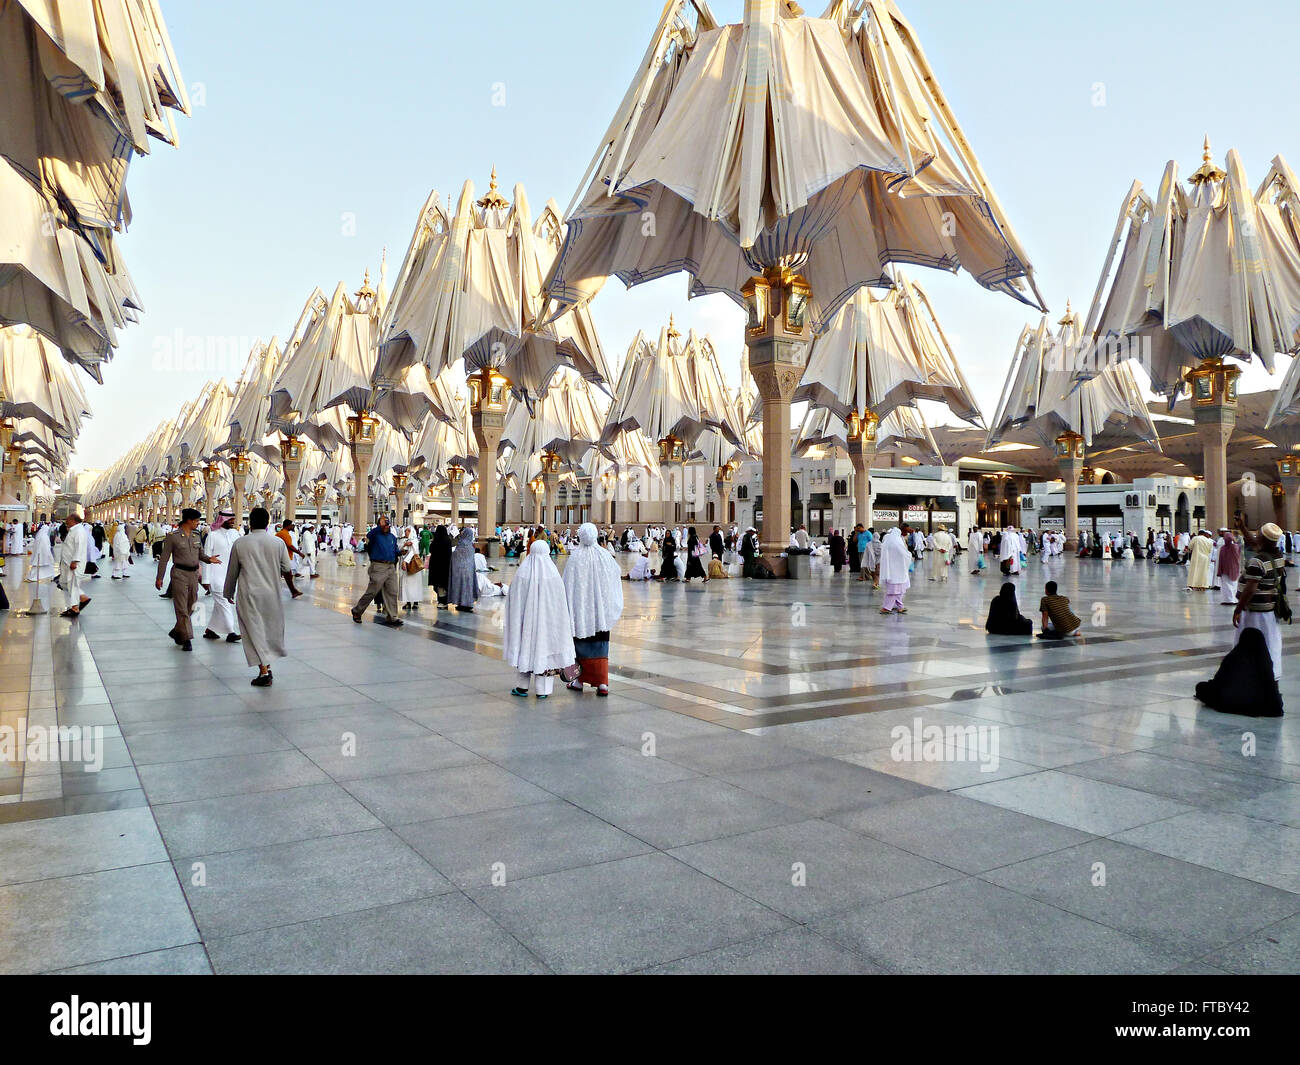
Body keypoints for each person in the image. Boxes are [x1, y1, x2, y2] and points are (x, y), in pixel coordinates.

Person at [223, 507, 292, 687]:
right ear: (268, 522)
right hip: (271, 594)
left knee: (253, 631)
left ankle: (264, 671)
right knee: (268, 630)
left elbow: (232, 572)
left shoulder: (241, 543)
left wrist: (228, 592)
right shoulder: (277, 543)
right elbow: (287, 567)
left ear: (250, 523)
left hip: (249, 594)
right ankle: (266, 667)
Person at [504, 540, 576, 699]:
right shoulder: (553, 574)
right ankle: (543, 690)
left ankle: (522, 687)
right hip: (547, 625)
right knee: (544, 651)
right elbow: (560, 604)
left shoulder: (522, 573)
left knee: (525, 649)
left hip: (526, 625)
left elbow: (513, 600)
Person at [562, 522, 624, 696]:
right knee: (600, 646)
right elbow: (614, 580)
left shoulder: (575, 558)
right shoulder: (605, 556)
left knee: (580, 646)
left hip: (581, 613)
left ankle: (579, 682)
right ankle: (602, 683)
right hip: (600, 614)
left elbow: (567, 585)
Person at [156, 508, 220, 651]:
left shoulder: (196, 536)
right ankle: (186, 639)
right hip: (179, 574)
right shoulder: (173, 536)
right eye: (196, 521)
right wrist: (159, 577)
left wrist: (209, 559)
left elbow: (200, 554)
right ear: (189, 521)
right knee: (181, 607)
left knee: (191, 605)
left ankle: (177, 631)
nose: (198, 523)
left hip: (193, 575)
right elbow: (164, 559)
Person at [1233, 521, 1287, 682]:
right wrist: (1242, 526)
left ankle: (1251, 674)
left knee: (1251, 644)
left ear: (1262, 539)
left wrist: (1238, 609)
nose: (1256, 537)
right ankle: (1272, 672)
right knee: (1271, 643)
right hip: (1270, 611)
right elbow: (1255, 544)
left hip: (1255, 613)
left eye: (1259, 535)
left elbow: (1250, 589)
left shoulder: (1258, 561)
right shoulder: (1276, 557)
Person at [1194, 628, 1283, 717]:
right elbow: (1270, 685)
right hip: (1256, 701)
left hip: (1229, 700)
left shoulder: (1233, 657)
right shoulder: (1264, 661)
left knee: (1201, 686)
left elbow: (1219, 681)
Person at [351, 515, 403, 627]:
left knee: (392, 592)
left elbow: (395, 551)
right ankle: (357, 611)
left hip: (390, 567)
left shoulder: (392, 537)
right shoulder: (375, 536)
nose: (386, 527)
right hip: (379, 566)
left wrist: (401, 551)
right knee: (372, 591)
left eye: (387, 525)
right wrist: (380, 526)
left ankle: (392, 617)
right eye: (383, 525)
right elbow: (369, 535)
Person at [201, 509, 242, 643]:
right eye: (229, 519)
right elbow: (206, 558)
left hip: (230, 576)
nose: (232, 522)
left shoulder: (235, 534)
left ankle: (211, 630)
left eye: (233, 519)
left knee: (220, 605)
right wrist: (206, 580)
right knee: (224, 603)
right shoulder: (212, 535)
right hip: (215, 576)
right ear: (222, 520)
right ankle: (231, 632)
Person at [57, 514, 92, 617]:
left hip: (74, 564)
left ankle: (75, 608)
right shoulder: (74, 530)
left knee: (73, 584)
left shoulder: (79, 531)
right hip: (68, 563)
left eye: (68, 520)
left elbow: (79, 547)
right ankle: (82, 597)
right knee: (65, 583)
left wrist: (75, 561)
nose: (66, 522)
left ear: (74, 520)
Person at [878, 527, 911, 614]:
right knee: (894, 591)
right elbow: (905, 554)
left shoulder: (887, 542)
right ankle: (886, 607)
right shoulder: (897, 542)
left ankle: (900, 606)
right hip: (898, 571)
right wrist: (910, 555)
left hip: (891, 571)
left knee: (897, 590)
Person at [448, 526, 479, 611]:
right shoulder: (471, 545)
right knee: (468, 587)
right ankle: (468, 603)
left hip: (460, 571)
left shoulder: (461, 544)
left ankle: (461, 603)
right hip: (469, 571)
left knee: (460, 587)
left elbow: (456, 555)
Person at [399, 527, 425, 610]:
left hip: (413, 565)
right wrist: (404, 545)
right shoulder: (404, 541)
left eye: (408, 530)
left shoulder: (414, 541)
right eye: (406, 530)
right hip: (405, 566)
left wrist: (405, 561)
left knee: (414, 584)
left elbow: (414, 552)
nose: (406, 532)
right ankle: (408, 602)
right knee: (407, 585)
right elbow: (400, 550)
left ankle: (416, 602)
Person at [428, 524, 452, 607]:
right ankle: (444, 601)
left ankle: (442, 601)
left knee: (438, 584)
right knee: (443, 584)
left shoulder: (436, 540)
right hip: (445, 565)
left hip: (436, 566)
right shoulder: (448, 540)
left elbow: (431, 550)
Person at [1217, 529, 1242, 606]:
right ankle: (1230, 599)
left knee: (1227, 584)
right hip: (1233, 568)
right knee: (1230, 585)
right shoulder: (1235, 546)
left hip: (1226, 569)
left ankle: (1230, 600)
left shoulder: (1226, 548)